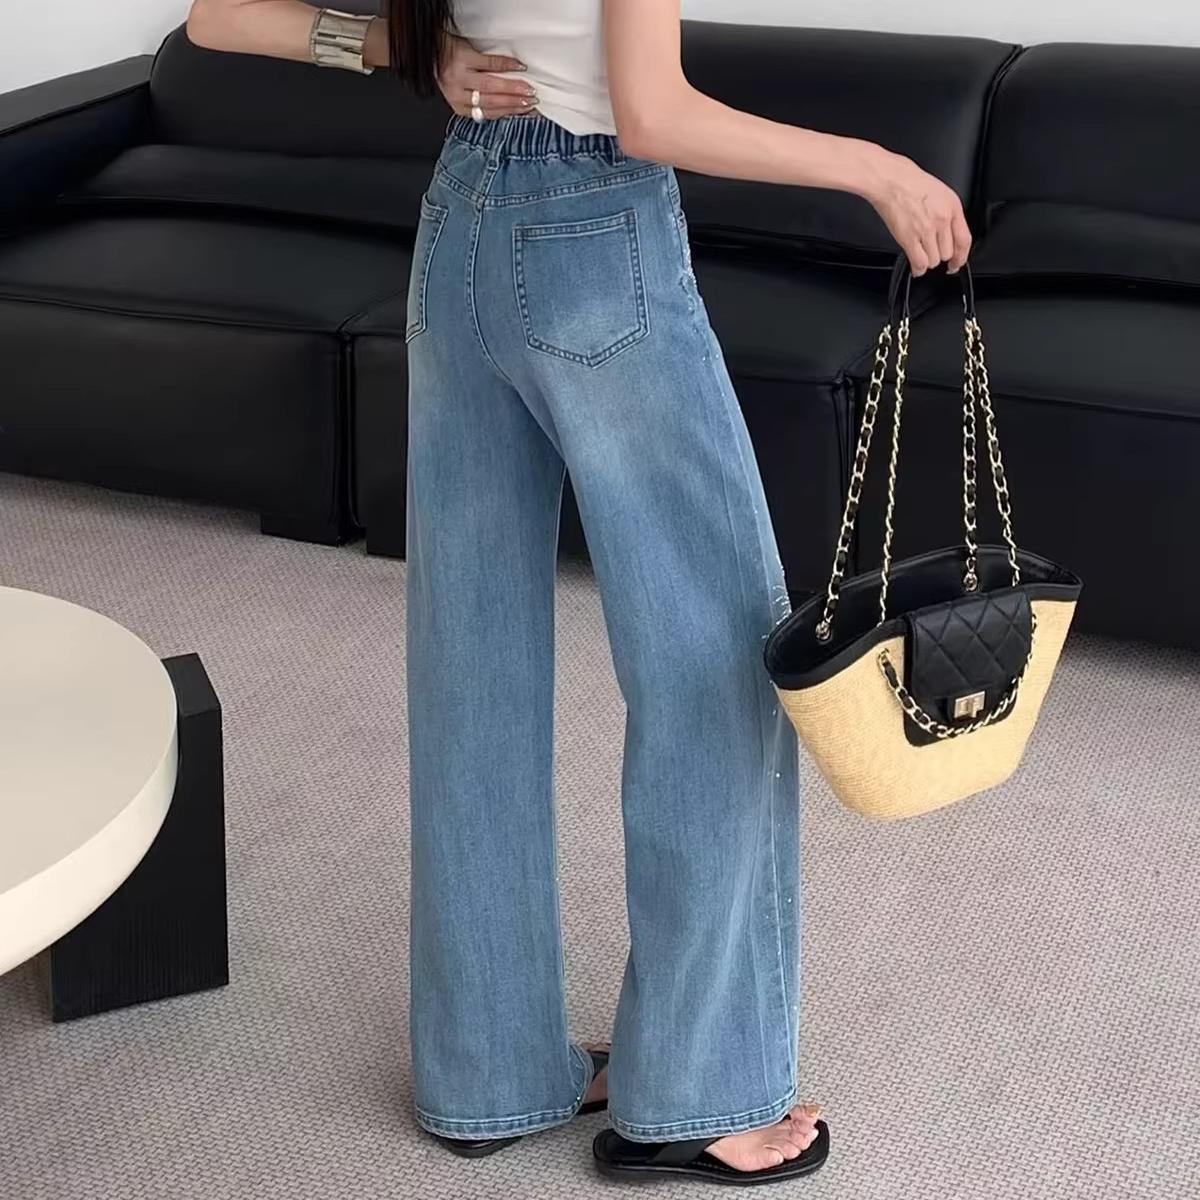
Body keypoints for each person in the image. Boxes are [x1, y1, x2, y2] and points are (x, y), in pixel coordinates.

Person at [187, 0, 971, 1186]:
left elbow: (217, 15)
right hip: (596, 235)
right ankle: (702, 1093)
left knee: (473, 664)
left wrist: (418, 50)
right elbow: (653, 117)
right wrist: (877, 169)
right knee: (716, 665)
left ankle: (485, 1072)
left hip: (458, 228)